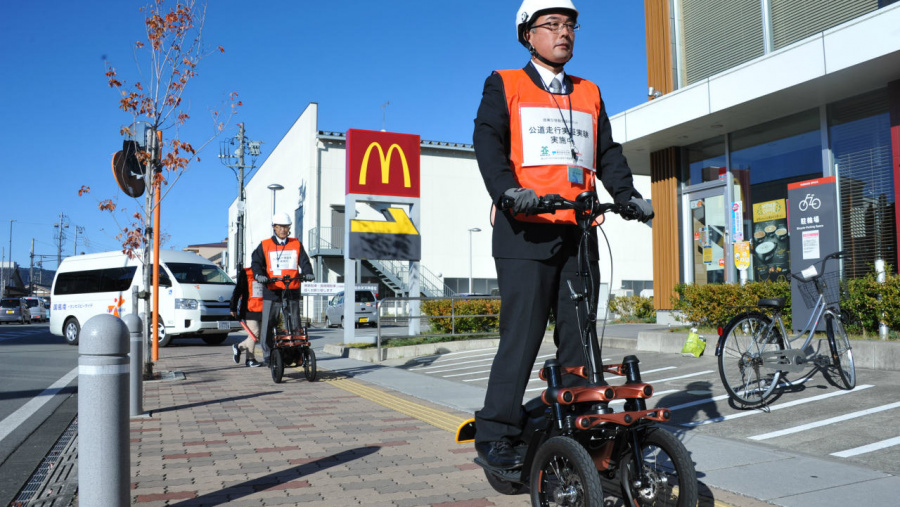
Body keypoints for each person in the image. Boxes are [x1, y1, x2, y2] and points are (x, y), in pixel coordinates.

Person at [472, 0, 654, 469]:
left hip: (578, 230)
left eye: (570, 23)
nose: (563, 32)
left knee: (579, 335)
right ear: (527, 35)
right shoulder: (504, 83)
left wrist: (628, 195)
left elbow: (607, 150)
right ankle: (496, 433)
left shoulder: (589, 91)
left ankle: (580, 419)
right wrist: (509, 191)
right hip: (524, 232)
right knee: (523, 335)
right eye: (550, 24)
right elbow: (488, 142)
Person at [251, 212, 314, 366]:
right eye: (280, 227)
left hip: (291, 289)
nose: (283, 230)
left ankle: (295, 353)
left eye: (286, 227)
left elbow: (304, 261)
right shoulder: (265, 244)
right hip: (272, 289)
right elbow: (256, 262)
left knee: (294, 323)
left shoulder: (296, 244)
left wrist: (308, 273)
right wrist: (259, 275)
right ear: (274, 228)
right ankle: (268, 354)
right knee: (268, 323)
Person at [230, 265, 264, 367]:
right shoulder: (246, 272)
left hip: (263, 308)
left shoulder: (268, 271)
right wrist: (233, 307)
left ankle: (239, 347)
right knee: (254, 335)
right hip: (249, 309)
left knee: (259, 337)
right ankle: (250, 359)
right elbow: (237, 290)